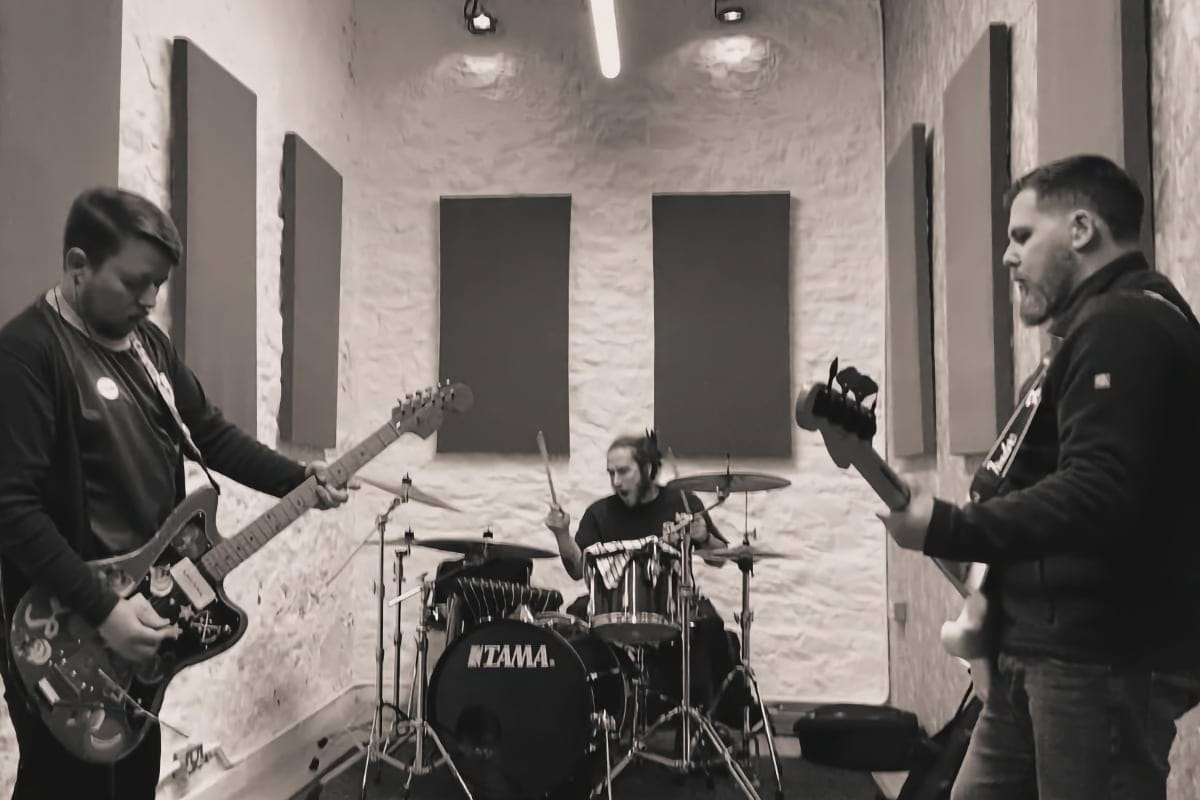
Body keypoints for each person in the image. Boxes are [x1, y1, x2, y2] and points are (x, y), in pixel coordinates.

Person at [0, 187, 353, 800]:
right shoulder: (29, 353)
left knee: (132, 780)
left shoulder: (149, 347)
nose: (150, 300)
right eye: (136, 282)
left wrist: (298, 481)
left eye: (159, 285)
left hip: (142, 620)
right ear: (78, 265)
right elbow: (11, 509)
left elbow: (209, 433)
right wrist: (104, 610)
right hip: (68, 630)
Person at [881, 154, 1200, 800]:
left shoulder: (1126, 325)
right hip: (1042, 651)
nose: (1006, 256)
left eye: (1022, 235)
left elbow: (1101, 491)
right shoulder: (1093, 332)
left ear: (1082, 230)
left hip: (1096, 658)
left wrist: (948, 524)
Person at [543, 431, 739, 715]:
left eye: (623, 472)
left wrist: (705, 536)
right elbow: (577, 571)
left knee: (711, 629)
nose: (616, 482)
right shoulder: (599, 513)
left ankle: (704, 725)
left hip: (673, 604)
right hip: (610, 605)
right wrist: (561, 534)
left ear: (647, 468)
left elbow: (719, 558)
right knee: (573, 625)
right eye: (611, 473)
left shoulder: (682, 502)